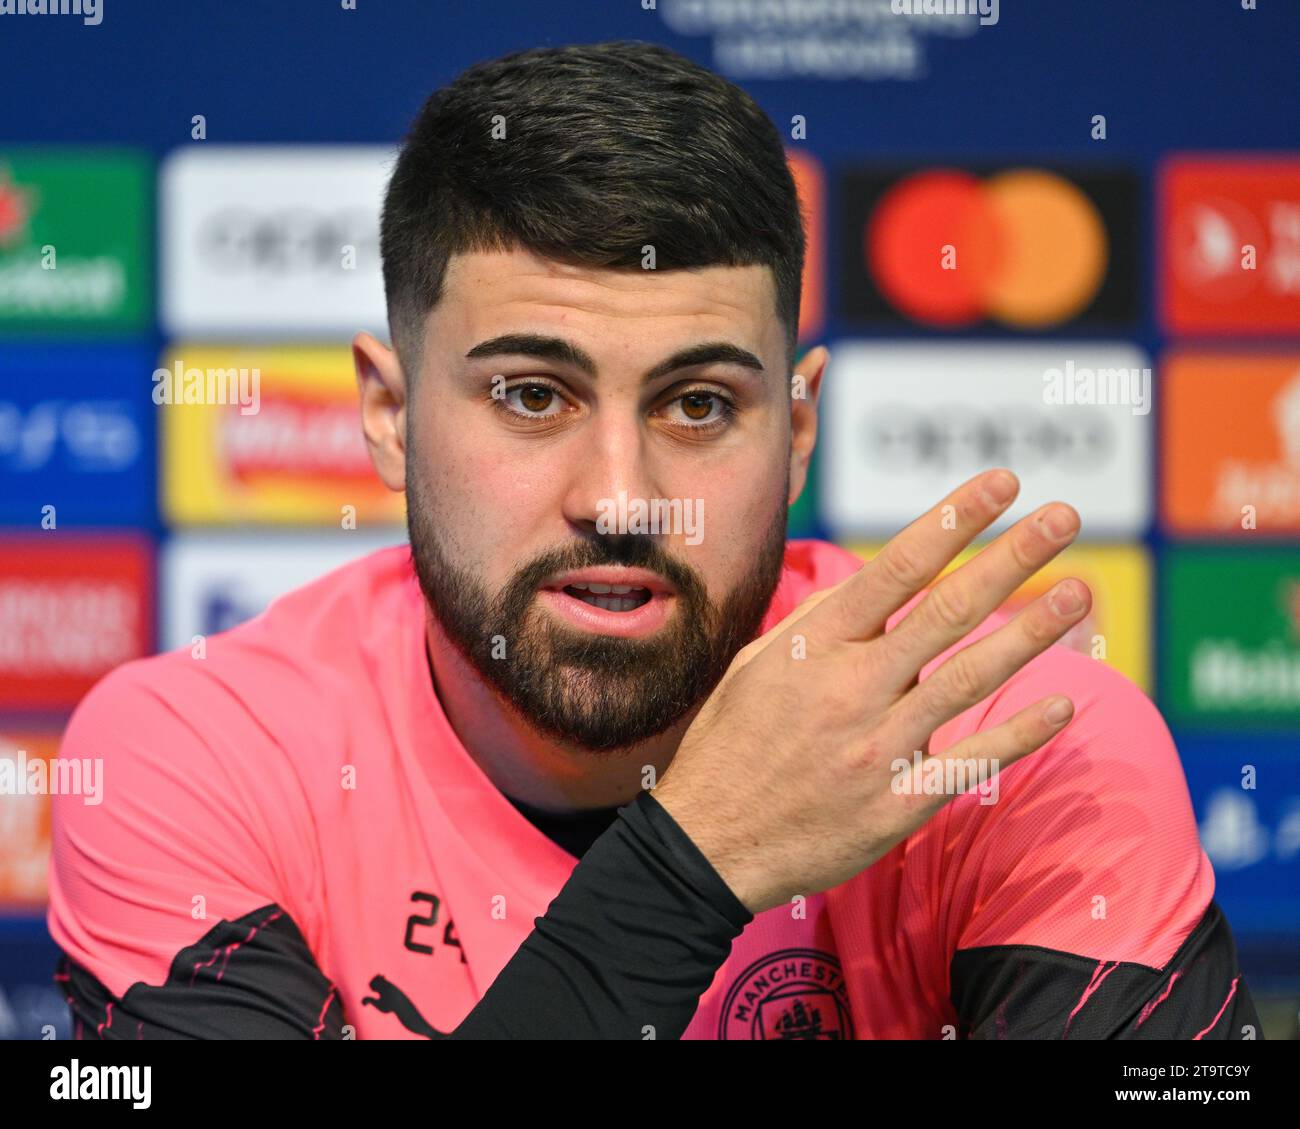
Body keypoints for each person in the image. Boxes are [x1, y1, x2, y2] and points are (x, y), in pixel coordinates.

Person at [47, 40, 1257, 1040]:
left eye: (697, 404)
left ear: (794, 436)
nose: (621, 498)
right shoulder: (189, 758)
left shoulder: (1015, 743)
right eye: (531, 395)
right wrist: (698, 858)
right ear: (389, 417)